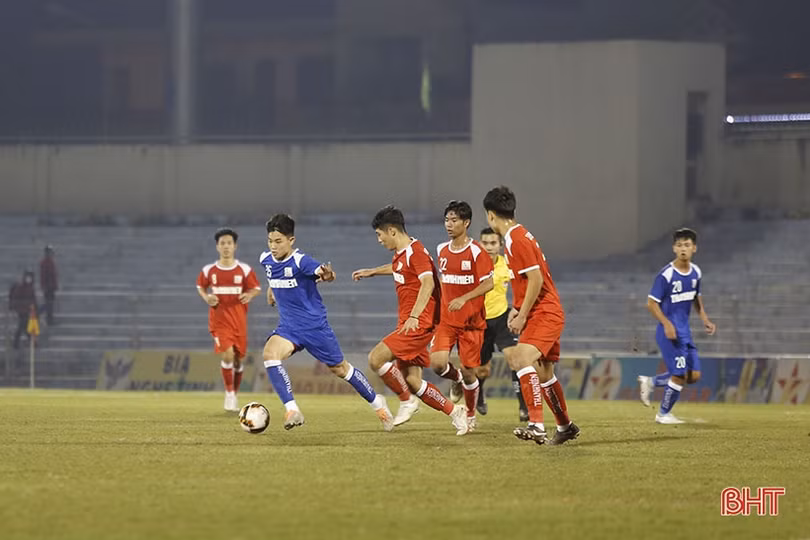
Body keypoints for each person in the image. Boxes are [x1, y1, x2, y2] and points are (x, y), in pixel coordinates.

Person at [259, 214, 394, 431]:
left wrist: (328, 274)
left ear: (291, 240)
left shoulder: (301, 261)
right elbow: (273, 276)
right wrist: (271, 290)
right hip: (288, 328)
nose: (273, 246)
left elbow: (324, 274)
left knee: (341, 369)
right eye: (270, 241)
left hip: (314, 328)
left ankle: (377, 403)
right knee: (269, 355)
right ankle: (292, 410)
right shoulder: (265, 259)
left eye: (278, 241)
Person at [352, 205, 469, 435]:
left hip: (419, 323)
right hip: (409, 322)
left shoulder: (416, 252)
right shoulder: (402, 253)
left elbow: (428, 282)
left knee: (376, 358)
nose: (379, 240)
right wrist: (372, 271)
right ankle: (455, 412)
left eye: (379, 234)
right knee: (413, 382)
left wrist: (415, 315)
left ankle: (406, 401)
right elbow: (399, 268)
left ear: (392, 231)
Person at [483, 186, 580, 445]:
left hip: (544, 312)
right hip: (543, 309)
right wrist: (517, 307)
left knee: (520, 358)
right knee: (545, 373)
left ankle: (536, 425)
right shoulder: (518, 236)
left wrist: (523, 315)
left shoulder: (516, 239)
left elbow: (536, 279)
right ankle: (565, 426)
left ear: (490, 215)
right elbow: (527, 280)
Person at [637, 228, 717, 424]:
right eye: (679, 245)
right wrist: (666, 324)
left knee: (693, 375)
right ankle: (663, 415)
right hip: (669, 333)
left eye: (687, 245)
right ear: (674, 248)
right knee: (679, 375)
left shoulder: (696, 272)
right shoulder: (666, 275)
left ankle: (651, 382)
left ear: (694, 248)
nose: (683, 249)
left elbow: (696, 297)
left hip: (685, 332)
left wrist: (705, 318)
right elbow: (651, 303)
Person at [430, 201, 494, 432]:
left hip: (471, 323)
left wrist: (464, 298)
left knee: (470, 372)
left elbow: (488, 283)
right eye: (447, 220)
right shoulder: (441, 250)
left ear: (466, 223)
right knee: (437, 364)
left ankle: (470, 414)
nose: (449, 224)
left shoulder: (477, 251)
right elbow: (442, 280)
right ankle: (455, 379)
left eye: (454, 220)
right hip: (447, 321)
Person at [196, 228, 261, 412]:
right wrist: (206, 297)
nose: (226, 246)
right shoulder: (209, 270)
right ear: (217, 246)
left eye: (229, 243)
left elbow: (256, 288)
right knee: (227, 354)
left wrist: (249, 295)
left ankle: (234, 393)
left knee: (239, 361)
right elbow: (200, 286)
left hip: (239, 321)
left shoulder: (244, 270)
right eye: (222, 243)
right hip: (219, 321)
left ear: (235, 246)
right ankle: (229, 394)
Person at [478, 227, 527, 420]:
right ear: (479, 244)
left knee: (515, 360)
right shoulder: (473, 265)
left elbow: (523, 285)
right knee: (482, 369)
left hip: (502, 318)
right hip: (480, 321)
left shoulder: (508, 264)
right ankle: (479, 396)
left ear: (500, 245)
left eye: (493, 243)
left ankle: (524, 407)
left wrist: (519, 309)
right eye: (485, 243)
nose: (489, 247)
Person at [8, 270, 37, 349]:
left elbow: (33, 298)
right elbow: (17, 298)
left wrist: (34, 307)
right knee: (22, 325)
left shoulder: (30, 287)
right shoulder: (21, 287)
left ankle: (30, 341)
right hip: (21, 310)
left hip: (27, 309)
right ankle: (29, 342)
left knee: (24, 326)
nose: (29, 279)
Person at [39, 246, 58, 325]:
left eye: (51, 252)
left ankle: (49, 320)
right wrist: (44, 286)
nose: (51, 253)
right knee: (49, 304)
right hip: (48, 287)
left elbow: (54, 275)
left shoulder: (51, 262)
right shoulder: (44, 262)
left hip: (51, 287)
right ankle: (38, 312)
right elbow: (43, 276)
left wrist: (55, 285)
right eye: (49, 252)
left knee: (50, 304)